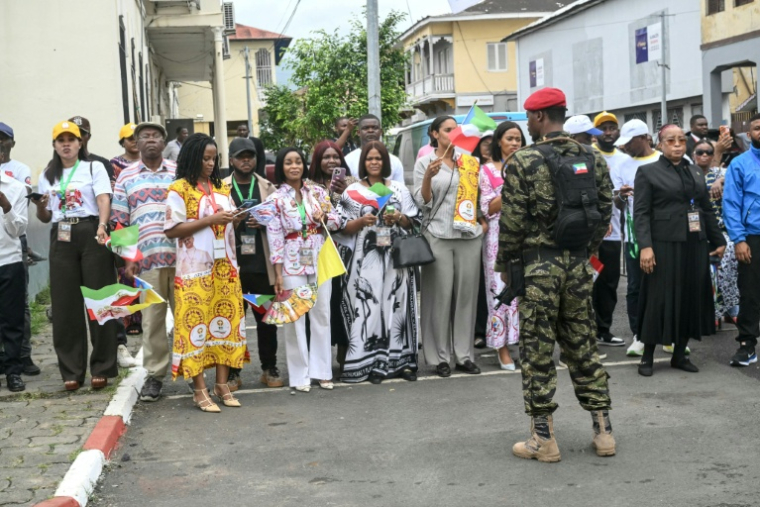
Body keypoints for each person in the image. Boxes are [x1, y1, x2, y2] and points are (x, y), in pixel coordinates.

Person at [498, 87, 615, 462]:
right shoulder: (592, 158)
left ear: (538, 118)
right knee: (583, 346)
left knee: (536, 351)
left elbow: (512, 222)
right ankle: (603, 432)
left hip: (538, 269)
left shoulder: (523, 160)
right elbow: (605, 210)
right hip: (578, 266)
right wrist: (588, 250)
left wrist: (506, 267)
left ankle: (543, 439)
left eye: (529, 118)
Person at [164, 133, 247, 412]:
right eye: (206, 158)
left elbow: (229, 220)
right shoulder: (179, 189)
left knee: (224, 323)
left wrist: (238, 216)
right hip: (194, 272)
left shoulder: (222, 187)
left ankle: (222, 385)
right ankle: (199, 389)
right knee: (195, 327)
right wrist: (210, 219)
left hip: (226, 268)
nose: (211, 164)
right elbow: (172, 230)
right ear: (192, 157)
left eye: (214, 158)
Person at [634, 125, 726, 377]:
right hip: (662, 245)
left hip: (694, 244)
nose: (676, 145)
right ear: (660, 144)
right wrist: (645, 247)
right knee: (658, 299)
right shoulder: (647, 172)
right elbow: (640, 213)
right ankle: (647, 356)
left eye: (681, 141)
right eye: (670, 141)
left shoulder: (695, 171)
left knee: (690, 297)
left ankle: (679, 355)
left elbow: (706, 208)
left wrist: (718, 239)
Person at [33, 121, 117, 391]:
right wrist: (41, 207)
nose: (66, 144)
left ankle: (102, 366)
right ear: (55, 145)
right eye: (61, 140)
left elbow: (104, 198)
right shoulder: (47, 174)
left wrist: (103, 226)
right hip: (61, 235)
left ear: (81, 143)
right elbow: (46, 217)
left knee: (99, 299)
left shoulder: (93, 167)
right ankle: (71, 371)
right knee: (65, 305)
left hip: (91, 231)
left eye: (72, 139)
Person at [336, 141, 420, 383]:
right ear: (364, 162)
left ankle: (402, 363)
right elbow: (341, 228)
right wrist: (362, 222)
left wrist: (399, 217)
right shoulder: (351, 193)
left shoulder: (399, 190)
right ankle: (371, 364)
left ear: (385, 162)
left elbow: (414, 222)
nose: (374, 162)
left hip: (397, 261)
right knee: (369, 309)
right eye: (370, 158)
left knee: (397, 308)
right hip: (366, 263)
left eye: (379, 158)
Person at [112, 122, 178, 401]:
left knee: (188, 317)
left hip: (183, 260)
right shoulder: (126, 177)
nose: (150, 140)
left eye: (156, 136)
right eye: (144, 137)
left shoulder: (179, 172)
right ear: (136, 143)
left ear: (164, 143)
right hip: (146, 263)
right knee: (152, 323)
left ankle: (193, 372)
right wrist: (128, 259)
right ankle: (155, 376)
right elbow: (120, 221)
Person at [266, 147, 341, 392]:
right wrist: (277, 273)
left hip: (318, 255)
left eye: (298, 161)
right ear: (282, 167)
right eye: (289, 162)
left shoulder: (318, 192)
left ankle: (322, 372)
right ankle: (300, 375)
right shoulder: (275, 199)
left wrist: (325, 217)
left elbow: (337, 220)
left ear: (304, 165)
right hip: (290, 259)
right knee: (295, 317)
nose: (294, 166)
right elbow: (274, 237)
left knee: (321, 314)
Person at [413, 115, 483, 377]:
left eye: (456, 129)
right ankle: (440, 357)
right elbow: (422, 202)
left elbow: (479, 196)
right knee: (439, 298)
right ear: (434, 134)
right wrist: (429, 178)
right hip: (438, 235)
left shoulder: (470, 162)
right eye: (447, 129)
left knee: (466, 298)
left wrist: (482, 222)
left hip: (469, 236)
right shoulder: (424, 163)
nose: (453, 133)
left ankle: (464, 355)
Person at [222, 137, 283, 389]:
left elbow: (283, 221)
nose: (246, 160)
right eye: (240, 156)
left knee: (266, 321)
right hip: (232, 266)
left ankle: (269, 368)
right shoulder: (220, 187)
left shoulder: (268, 187)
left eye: (250, 155)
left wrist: (266, 222)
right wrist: (231, 221)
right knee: (234, 321)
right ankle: (234, 372)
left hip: (262, 264)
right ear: (232, 160)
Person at [612, 119, 661, 357]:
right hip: (634, 237)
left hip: (663, 235)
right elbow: (617, 204)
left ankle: (669, 335)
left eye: (629, 142)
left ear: (644, 138)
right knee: (635, 287)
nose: (625, 147)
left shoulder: (662, 160)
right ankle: (639, 335)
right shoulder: (622, 164)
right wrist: (620, 197)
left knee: (664, 284)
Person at [306, 140, 356, 371]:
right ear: (318, 160)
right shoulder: (307, 186)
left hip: (346, 251)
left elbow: (356, 212)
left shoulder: (352, 183)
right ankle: (316, 357)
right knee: (318, 305)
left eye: (335, 157)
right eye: (326, 157)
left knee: (343, 301)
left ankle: (345, 351)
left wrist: (342, 192)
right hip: (317, 253)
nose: (331, 161)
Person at [479, 121, 525, 369]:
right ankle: (501, 347)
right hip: (497, 236)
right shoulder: (486, 170)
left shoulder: (529, 166)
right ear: (499, 141)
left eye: (518, 139)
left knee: (523, 290)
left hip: (526, 236)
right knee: (498, 290)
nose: (515, 143)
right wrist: (511, 187)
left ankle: (521, 341)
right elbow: (487, 207)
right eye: (510, 138)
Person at [0, 122, 41, 377]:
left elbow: (19, 217)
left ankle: (20, 359)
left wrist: (6, 203)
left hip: (12, 247)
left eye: (3, 139)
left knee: (16, 307)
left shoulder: (17, 175)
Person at [723, 113, 760, 367]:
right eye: (758, 128)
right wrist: (738, 239)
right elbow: (731, 204)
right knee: (750, 294)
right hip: (752, 237)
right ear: (749, 134)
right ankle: (747, 344)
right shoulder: (739, 163)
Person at [590, 111, 629, 347]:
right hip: (590, 235)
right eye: (603, 128)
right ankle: (586, 331)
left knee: (609, 282)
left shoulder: (624, 159)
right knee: (589, 280)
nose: (607, 132)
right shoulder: (589, 155)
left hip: (613, 234)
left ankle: (603, 330)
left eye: (611, 128)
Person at [695, 139, 740, 328]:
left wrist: (721, 180)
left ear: (713, 156)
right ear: (694, 155)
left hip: (722, 230)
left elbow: (737, 178)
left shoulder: (721, 172)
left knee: (730, 258)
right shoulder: (689, 174)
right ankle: (710, 312)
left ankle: (730, 309)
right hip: (697, 230)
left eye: (708, 152)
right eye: (700, 152)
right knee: (703, 270)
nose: (704, 155)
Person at [110, 123, 144, 345]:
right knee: (124, 273)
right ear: (122, 141)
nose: (133, 141)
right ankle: (127, 319)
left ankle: (141, 317)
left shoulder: (148, 162)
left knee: (143, 271)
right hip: (121, 221)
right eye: (128, 138)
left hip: (143, 222)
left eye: (136, 137)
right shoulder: (115, 163)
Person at [0, 153, 28, 392]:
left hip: (7, 260)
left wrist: (6, 205)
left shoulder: (16, 188)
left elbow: (18, 229)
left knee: (12, 320)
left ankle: (13, 372)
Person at [344, 115, 404, 184]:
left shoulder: (394, 161)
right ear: (358, 132)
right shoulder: (348, 160)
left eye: (374, 128)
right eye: (366, 128)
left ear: (381, 131)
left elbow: (400, 191)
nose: (370, 130)